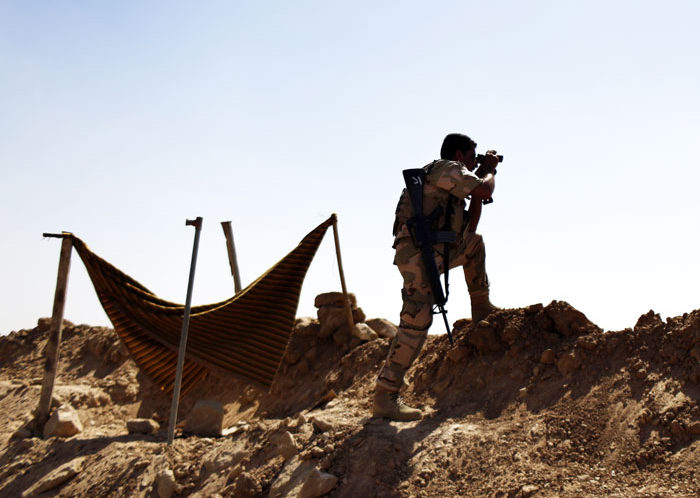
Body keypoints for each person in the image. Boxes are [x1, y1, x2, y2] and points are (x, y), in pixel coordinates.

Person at [373, 132, 501, 421]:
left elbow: (469, 229)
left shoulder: (453, 180)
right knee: (417, 321)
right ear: (459, 155)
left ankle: (481, 309)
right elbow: (485, 189)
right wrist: (489, 170)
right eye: (472, 158)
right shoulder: (446, 168)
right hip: (418, 256)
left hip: (434, 251)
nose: (474, 163)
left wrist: (477, 183)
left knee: (474, 244)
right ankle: (385, 394)